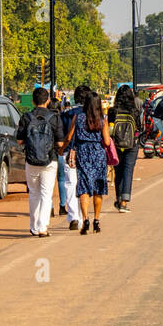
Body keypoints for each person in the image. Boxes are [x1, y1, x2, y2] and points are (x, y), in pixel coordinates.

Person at [63, 91, 110, 234]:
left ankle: (85, 219)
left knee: (83, 186)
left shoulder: (78, 118)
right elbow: (107, 142)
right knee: (98, 187)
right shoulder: (103, 119)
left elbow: (69, 137)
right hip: (98, 153)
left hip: (83, 152)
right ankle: (96, 219)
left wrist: (61, 149)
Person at [16, 87, 60, 236]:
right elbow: (60, 143)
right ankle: (42, 227)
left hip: (31, 160)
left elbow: (20, 140)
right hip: (50, 160)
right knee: (46, 194)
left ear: (33, 101)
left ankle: (34, 227)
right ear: (47, 101)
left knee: (33, 193)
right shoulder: (54, 118)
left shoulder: (26, 117)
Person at [58, 85, 90, 230]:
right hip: (87, 151)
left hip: (69, 151)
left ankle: (73, 216)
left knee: (70, 183)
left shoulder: (67, 114)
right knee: (84, 183)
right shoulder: (91, 114)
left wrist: (62, 149)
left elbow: (64, 134)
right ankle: (84, 216)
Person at [107, 85, 143, 212]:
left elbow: (109, 129)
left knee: (118, 171)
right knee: (128, 170)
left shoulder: (112, 111)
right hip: (132, 144)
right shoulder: (134, 111)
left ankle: (118, 198)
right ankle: (124, 202)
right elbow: (139, 128)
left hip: (116, 144)